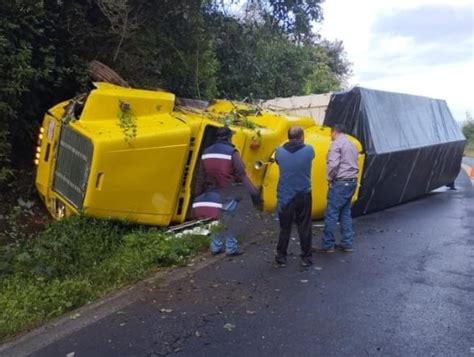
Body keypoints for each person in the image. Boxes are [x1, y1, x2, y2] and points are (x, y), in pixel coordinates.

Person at [193, 126, 260, 256]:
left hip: (211, 191)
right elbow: (240, 171)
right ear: (229, 137)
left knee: (216, 220)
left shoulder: (206, 152)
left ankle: (215, 247)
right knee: (230, 220)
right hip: (227, 191)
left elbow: (200, 174)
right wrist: (252, 191)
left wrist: (198, 192)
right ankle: (231, 248)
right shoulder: (232, 152)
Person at [314, 124, 359, 253]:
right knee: (345, 213)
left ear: (334, 132)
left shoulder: (336, 144)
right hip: (351, 182)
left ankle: (328, 245)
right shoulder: (351, 144)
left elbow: (333, 164)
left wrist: (329, 177)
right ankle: (347, 243)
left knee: (331, 214)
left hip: (340, 183)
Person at [274, 126, 315, 267]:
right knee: (304, 226)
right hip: (303, 193)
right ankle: (306, 257)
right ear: (302, 136)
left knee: (285, 227)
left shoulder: (279, 151)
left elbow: (278, 162)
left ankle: (281, 257)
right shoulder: (309, 150)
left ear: (288, 136)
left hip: (285, 195)